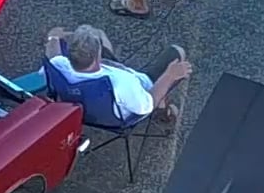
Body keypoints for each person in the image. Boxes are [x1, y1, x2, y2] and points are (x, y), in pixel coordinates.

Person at [41, 25, 190, 128]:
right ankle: (163, 109)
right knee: (177, 51)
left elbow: (52, 54)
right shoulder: (122, 82)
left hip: (86, 107)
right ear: (98, 56)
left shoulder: (57, 65)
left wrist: (53, 37)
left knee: (99, 33)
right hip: (121, 113)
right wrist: (170, 75)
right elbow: (146, 106)